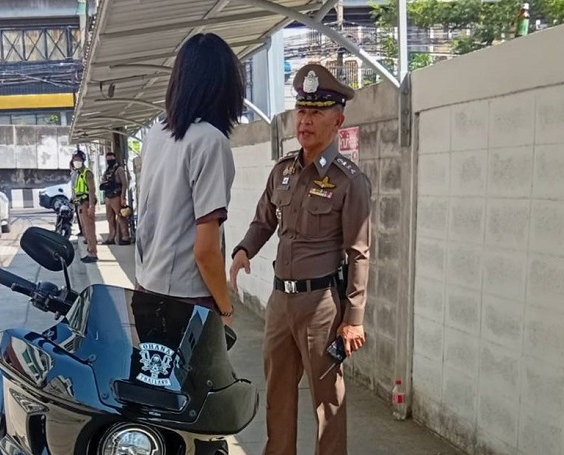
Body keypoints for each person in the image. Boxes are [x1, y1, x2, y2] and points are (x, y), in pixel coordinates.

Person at [229, 63, 372, 455]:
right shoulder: (283, 170)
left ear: (337, 121)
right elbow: (263, 220)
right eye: (302, 111)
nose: (305, 121)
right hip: (280, 302)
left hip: (321, 306)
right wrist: (243, 250)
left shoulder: (349, 181)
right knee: (278, 394)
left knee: (327, 402)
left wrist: (353, 318)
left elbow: (359, 252)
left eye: (316, 113)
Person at [134, 32, 245, 325]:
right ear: (225, 87)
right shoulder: (210, 142)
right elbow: (206, 250)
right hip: (186, 302)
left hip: (146, 289)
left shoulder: (156, 133)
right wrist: (225, 308)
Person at [100, 151, 132, 245]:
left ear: (115, 158)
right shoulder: (107, 170)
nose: (109, 160)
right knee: (110, 218)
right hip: (108, 196)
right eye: (108, 158)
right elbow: (103, 181)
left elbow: (124, 183)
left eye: (111, 158)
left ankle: (125, 237)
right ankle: (111, 237)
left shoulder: (119, 169)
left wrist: (123, 197)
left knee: (121, 216)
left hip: (117, 196)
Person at [71, 149, 98, 263]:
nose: (76, 161)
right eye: (74, 159)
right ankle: (90, 250)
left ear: (83, 160)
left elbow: (91, 190)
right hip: (81, 204)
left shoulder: (87, 173)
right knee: (85, 229)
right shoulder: (78, 174)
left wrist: (91, 206)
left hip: (86, 203)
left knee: (89, 229)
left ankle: (92, 253)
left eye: (78, 159)